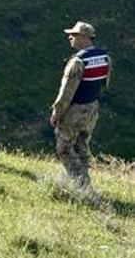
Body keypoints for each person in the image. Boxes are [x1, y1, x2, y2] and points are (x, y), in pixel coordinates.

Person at [50, 22, 111, 188]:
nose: (70, 37)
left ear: (85, 37)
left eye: (74, 34)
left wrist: (57, 112)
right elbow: (104, 83)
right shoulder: (105, 57)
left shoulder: (77, 61)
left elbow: (66, 92)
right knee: (82, 144)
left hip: (75, 110)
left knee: (64, 147)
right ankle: (84, 178)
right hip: (92, 107)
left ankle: (81, 183)